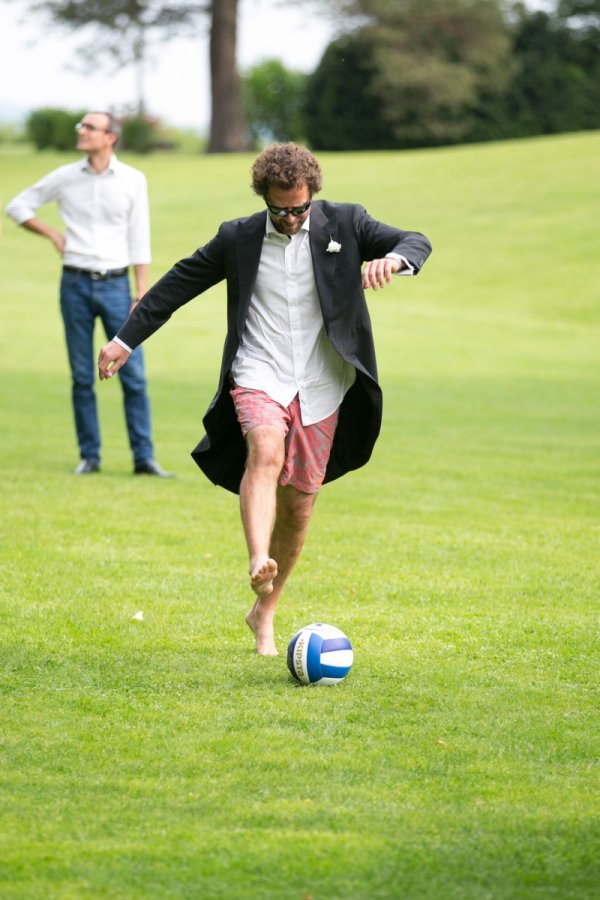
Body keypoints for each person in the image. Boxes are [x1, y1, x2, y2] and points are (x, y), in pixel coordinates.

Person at [97, 142, 432, 654]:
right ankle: (257, 558)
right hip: (260, 369)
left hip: (324, 378)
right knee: (265, 449)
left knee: (298, 506)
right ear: (264, 199)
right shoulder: (239, 237)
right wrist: (124, 340)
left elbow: (416, 239)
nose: (292, 219)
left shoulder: (346, 223)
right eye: (280, 209)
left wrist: (395, 260)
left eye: (299, 208)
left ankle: (265, 611)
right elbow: (176, 284)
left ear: (312, 195)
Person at [5, 111, 172, 477]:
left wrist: (141, 289)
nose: (81, 131)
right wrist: (52, 235)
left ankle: (144, 458)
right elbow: (16, 206)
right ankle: (90, 457)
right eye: (81, 126)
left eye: (90, 127)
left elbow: (139, 236)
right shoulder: (65, 177)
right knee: (82, 375)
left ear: (110, 137)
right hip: (75, 285)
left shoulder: (132, 179)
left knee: (135, 376)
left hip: (116, 286)